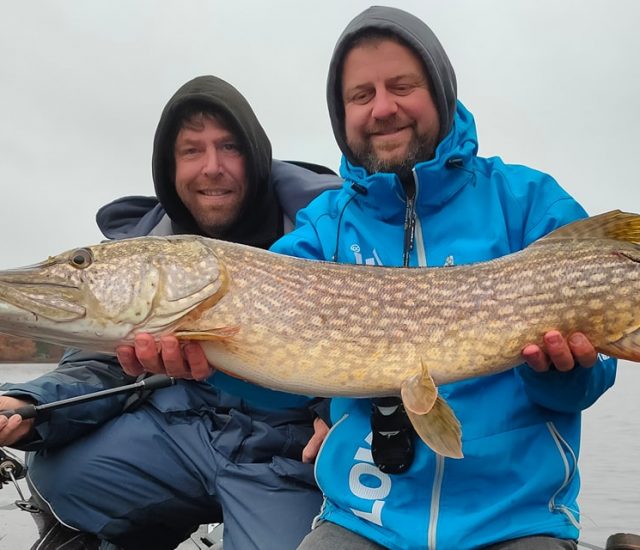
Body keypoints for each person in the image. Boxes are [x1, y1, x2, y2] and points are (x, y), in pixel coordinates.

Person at [267, 6, 617, 550]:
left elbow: (596, 373)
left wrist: (563, 373)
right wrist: (206, 364)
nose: (382, 108)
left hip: (517, 521)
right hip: (366, 520)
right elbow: (267, 367)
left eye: (402, 85)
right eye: (361, 96)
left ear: (440, 92)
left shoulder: (526, 203)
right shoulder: (323, 232)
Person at [0, 75, 340, 550]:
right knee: (61, 474)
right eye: (191, 151)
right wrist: (27, 404)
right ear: (169, 165)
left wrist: (336, 411)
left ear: (256, 156)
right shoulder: (149, 247)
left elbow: (383, 342)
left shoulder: (333, 229)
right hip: (179, 436)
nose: (212, 167)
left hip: (282, 453)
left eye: (229, 147)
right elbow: (97, 363)